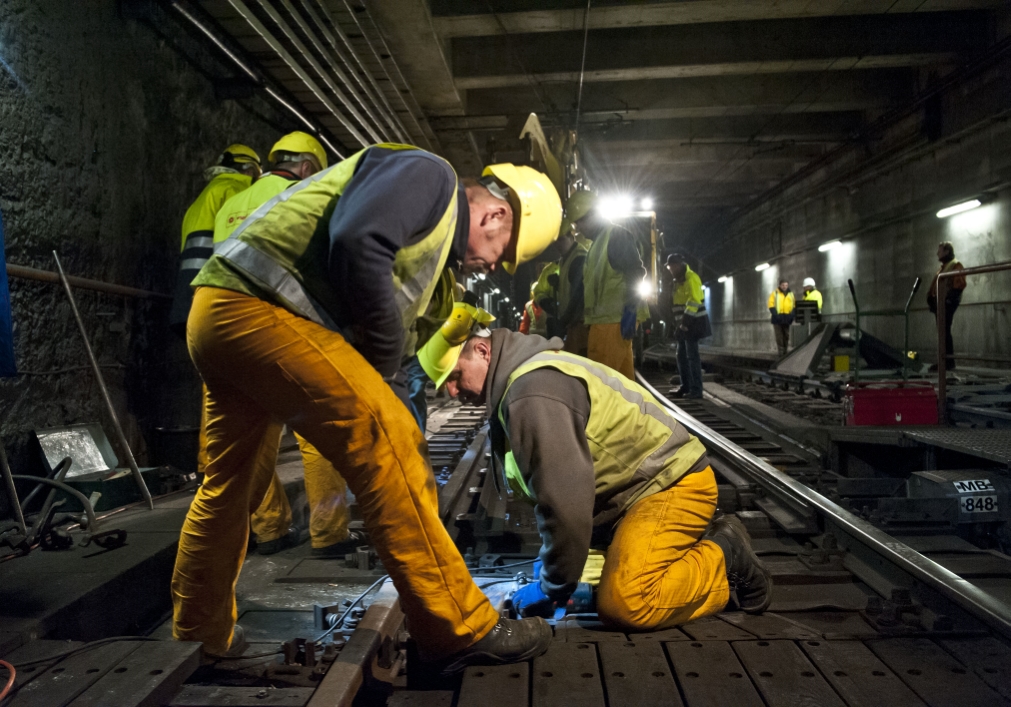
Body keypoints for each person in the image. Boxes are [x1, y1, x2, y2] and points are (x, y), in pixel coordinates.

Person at [172, 143, 562, 673]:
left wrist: (392, 385)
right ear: (496, 214)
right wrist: (384, 389)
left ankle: (200, 630)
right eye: (501, 252)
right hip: (262, 311)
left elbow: (396, 351)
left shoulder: (433, 261)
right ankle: (458, 627)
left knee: (230, 483)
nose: (490, 264)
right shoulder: (432, 175)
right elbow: (358, 240)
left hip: (217, 312)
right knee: (388, 440)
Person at [431, 327, 772, 631]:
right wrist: (558, 578)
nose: (451, 390)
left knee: (627, 602)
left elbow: (565, 509)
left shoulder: (532, 393)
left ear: (482, 350)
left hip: (669, 485)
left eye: (455, 374)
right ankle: (679, 554)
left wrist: (552, 590)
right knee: (580, 583)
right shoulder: (524, 380)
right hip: (625, 501)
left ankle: (726, 556)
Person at [210, 132, 360, 559]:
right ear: (310, 166)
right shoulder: (302, 197)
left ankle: (271, 528)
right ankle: (329, 535)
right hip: (285, 329)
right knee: (318, 434)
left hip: (231, 329)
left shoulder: (230, 204)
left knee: (252, 439)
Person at [170, 145, 261, 337]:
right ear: (251, 171)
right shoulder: (236, 191)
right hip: (215, 297)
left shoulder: (206, 196)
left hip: (187, 296)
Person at [583, 216, 648, 379]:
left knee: (602, 383)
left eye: (579, 222)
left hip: (610, 322)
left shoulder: (614, 236)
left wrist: (631, 308)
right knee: (622, 382)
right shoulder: (599, 241)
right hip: (611, 320)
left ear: (590, 218)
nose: (578, 229)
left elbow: (635, 271)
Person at [666, 252, 710, 399]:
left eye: (672, 267)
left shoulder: (692, 278)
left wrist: (685, 323)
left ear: (678, 265)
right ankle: (686, 386)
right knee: (682, 356)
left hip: (693, 323)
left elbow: (694, 301)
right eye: (669, 268)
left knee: (692, 356)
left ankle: (696, 391)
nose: (671, 270)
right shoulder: (677, 281)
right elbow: (676, 304)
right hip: (683, 324)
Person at [555, 191, 594, 355]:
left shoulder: (578, 258)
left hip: (579, 324)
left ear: (571, 236)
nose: (558, 245)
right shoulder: (566, 259)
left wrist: (564, 320)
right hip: (573, 324)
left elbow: (578, 295)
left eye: (561, 240)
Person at [927, 241, 967, 370]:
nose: (937, 253)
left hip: (947, 304)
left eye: (940, 250)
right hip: (940, 304)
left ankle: (948, 363)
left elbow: (959, 284)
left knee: (944, 332)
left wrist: (948, 301)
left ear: (947, 251)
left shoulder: (955, 265)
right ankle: (945, 362)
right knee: (942, 333)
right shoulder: (943, 267)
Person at [768, 279, 795, 357]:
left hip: (787, 317)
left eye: (786, 285)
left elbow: (794, 305)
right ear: (780, 285)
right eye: (783, 285)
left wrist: (792, 315)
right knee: (779, 336)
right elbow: (771, 305)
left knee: (786, 335)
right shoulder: (775, 293)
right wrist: (776, 315)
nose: (784, 287)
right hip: (777, 318)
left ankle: (785, 351)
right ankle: (781, 352)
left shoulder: (791, 294)